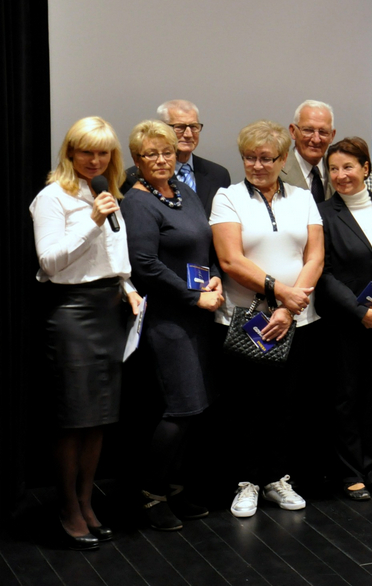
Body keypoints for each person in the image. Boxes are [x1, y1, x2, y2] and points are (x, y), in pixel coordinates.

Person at [31, 117, 142, 550]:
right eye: (86, 152)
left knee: (98, 419)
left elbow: (117, 258)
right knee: (73, 418)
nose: (95, 160)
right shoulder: (51, 198)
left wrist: (129, 289)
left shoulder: (106, 193)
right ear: (70, 152)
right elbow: (49, 263)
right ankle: (68, 508)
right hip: (72, 314)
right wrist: (91, 221)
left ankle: (85, 500)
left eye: (103, 153)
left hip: (109, 310)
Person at [210, 121, 324, 518]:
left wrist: (290, 307)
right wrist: (281, 292)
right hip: (244, 320)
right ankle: (246, 482)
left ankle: (277, 478)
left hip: (297, 320)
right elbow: (231, 261)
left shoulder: (303, 198)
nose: (257, 165)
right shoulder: (227, 198)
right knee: (246, 404)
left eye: (266, 158)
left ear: (281, 160)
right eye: (249, 157)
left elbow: (315, 258)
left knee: (286, 403)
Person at [122, 121, 224, 530]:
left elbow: (206, 243)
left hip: (200, 315)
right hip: (167, 319)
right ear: (136, 161)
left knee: (197, 407)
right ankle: (149, 494)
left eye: (166, 152)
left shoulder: (185, 193)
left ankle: (175, 488)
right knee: (182, 407)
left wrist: (214, 275)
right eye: (151, 154)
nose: (161, 160)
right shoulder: (137, 202)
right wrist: (193, 295)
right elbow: (144, 266)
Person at [316, 137, 372, 500]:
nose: (341, 175)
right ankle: (350, 472)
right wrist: (359, 311)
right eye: (333, 169)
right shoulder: (322, 213)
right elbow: (325, 273)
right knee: (347, 396)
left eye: (348, 167)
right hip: (345, 321)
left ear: (366, 168)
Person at [120, 100, 231, 214]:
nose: (188, 134)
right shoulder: (131, 179)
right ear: (161, 129)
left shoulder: (218, 175)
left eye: (193, 127)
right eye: (179, 127)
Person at [280, 101, 337, 204]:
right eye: (308, 130)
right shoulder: (276, 171)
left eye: (323, 132)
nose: (316, 139)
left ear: (332, 136)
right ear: (293, 131)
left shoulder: (341, 172)